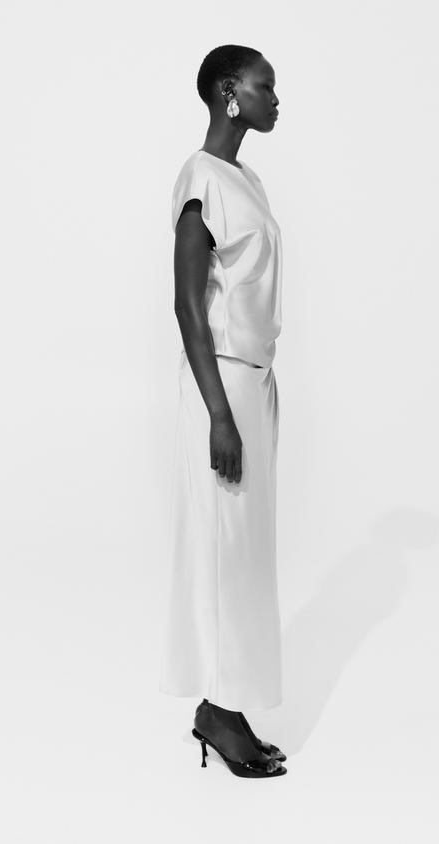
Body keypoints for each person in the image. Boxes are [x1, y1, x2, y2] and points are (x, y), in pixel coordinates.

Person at [159, 45, 287, 778]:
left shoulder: (249, 179)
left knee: (245, 552)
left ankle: (225, 704)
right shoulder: (200, 177)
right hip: (223, 387)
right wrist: (218, 413)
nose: (276, 98)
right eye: (266, 86)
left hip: (255, 383)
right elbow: (187, 305)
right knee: (224, 549)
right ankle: (219, 710)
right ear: (229, 91)